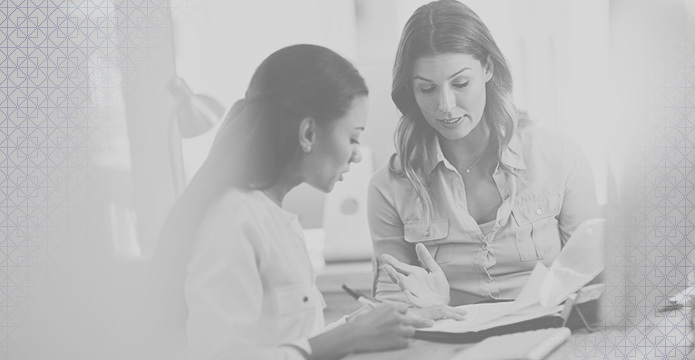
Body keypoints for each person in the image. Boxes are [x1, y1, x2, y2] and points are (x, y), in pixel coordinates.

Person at [147, 44, 452, 360]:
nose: (357, 153)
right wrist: (349, 337)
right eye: (352, 137)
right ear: (308, 133)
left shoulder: (274, 219)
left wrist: (363, 324)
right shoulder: (234, 220)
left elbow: (295, 340)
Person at [368, 0, 600, 308]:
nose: (446, 106)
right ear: (409, 90)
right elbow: (392, 303)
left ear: (488, 68)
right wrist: (432, 310)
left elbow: (594, 276)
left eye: (461, 83)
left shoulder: (558, 156)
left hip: (553, 334)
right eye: (427, 89)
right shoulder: (389, 186)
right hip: (450, 345)